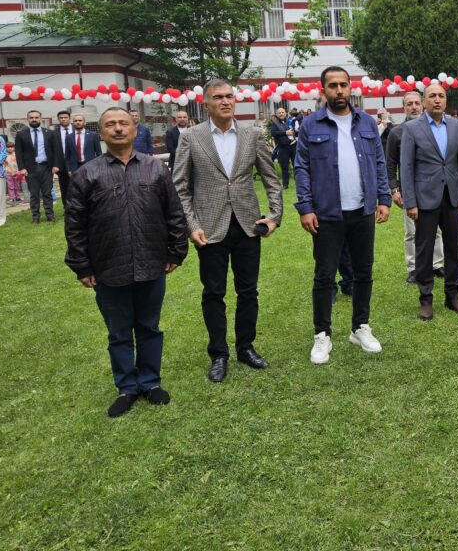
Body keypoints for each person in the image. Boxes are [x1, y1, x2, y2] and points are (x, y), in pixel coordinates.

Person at [65, 107, 189, 418]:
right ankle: (127, 387)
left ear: (135, 130)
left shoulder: (155, 168)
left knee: (149, 327)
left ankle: (150, 382)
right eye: (111, 124)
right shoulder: (86, 174)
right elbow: (75, 224)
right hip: (108, 266)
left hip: (151, 262)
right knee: (118, 332)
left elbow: (174, 212)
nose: (118, 128)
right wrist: (82, 265)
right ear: (101, 133)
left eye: (124, 123)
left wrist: (176, 251)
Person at [172, 79, 283, 383]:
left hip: (248, 225)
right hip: (209, 229)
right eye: (218, 97)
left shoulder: (252, 134)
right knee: (213, 293)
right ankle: (218, 354)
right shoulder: (191, 137)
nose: (225, 101)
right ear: (206, 104)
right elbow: (179, 187)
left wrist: (275, 216)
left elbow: (271, 179)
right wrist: (192, 225)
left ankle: (246, 347)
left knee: (248, 291)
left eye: (229, 96)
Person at [295, 66, 391, 365]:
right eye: (333, 85)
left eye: (343, 85)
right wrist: (306, 207)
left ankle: (360, 327)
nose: (339, 90)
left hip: (362, 210)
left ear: (351, 88)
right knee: (324, 275)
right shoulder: (311, 124)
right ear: (323, 90)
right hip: (327, 214)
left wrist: (384, 198)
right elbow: (302, 167)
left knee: (364, 272)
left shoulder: (367, 122)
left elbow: (378, 162)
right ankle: (322, 334)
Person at [400, 84, 458, 320]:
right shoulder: (412, 128)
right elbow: (406, 168)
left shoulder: (457, 126)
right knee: (424, 250)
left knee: (453, 248)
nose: (437, 100)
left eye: (441, 96)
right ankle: (426, 299)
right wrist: (410, 202)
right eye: (432, 96)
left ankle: (453, 296)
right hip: (424, 199)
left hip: (452, 197)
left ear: (446, 100)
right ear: (424, 102)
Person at [387, 90, 444, 282]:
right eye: (409, 104)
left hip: (432, 188)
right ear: (403, 107)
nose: (413, 107)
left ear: (423, 104)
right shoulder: (396, 132)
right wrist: (394, 189)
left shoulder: (435, 128)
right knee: (411, 231)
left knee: (436, 229)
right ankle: (413, 267)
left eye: (416, 103)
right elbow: (390, 164)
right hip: (408, 190)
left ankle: (437, 264)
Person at [15, 110, 56, 223]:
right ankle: (35, 216)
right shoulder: (21, 134)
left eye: (36, 117)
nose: (34, 119)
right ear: (27, 119)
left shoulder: (49, 133)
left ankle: (50, 215)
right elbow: (18, 152)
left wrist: (55, 165)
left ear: (40, 118)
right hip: (30, 168)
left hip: (46, 167)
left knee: (47, 193)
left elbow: (55, 150)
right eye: (31, 117)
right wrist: (22, 168)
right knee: (34, 194)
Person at [49, 110, 74, 200]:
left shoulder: (77, 130)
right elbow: (51, 150)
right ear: (58, 119)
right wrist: (54, 164)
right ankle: (66, 207)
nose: (63, 119)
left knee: (79, 188)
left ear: (69, 118)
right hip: (61, 166)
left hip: (77, 164)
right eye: (61, 118)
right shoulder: (53, 133)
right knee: (65, 189)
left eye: (65, 117)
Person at [269, 108, 295, 188]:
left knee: (296, 166)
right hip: (283, 147)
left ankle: (299, 183)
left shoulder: (291, 121)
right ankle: (285, 185)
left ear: (285, 113)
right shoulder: (275, 123)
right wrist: (285, 133)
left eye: (282, 112)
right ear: (277, 114)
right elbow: (273, 133)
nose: (281, 114)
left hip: (293, 146)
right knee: (284, 167)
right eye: (279, 113)